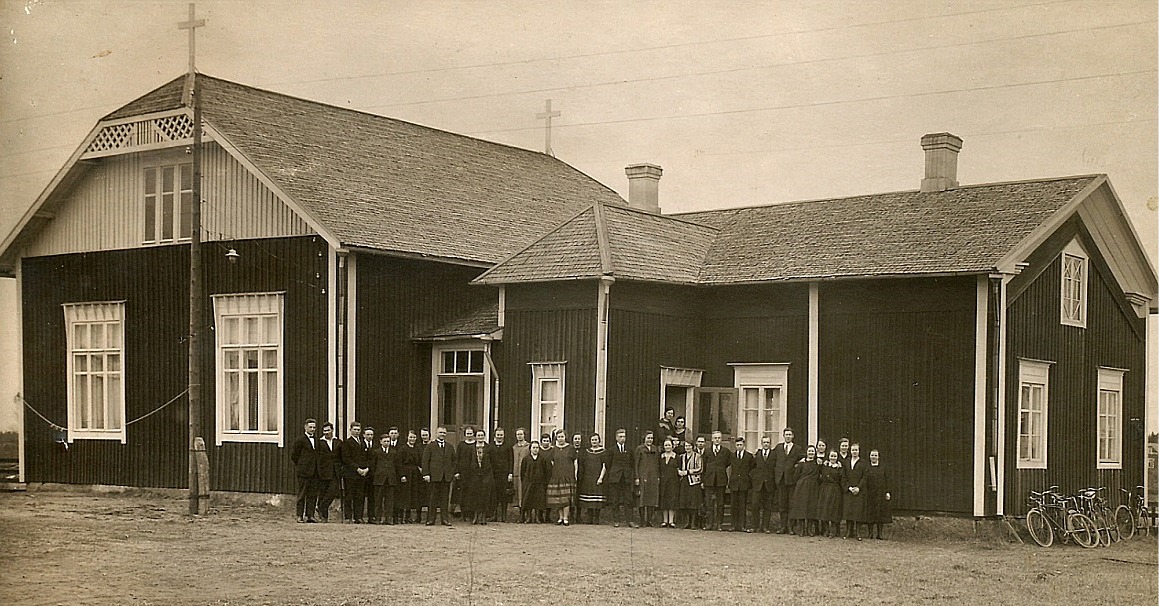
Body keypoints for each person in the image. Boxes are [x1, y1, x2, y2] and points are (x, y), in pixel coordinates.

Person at [772, 427, 805, 534]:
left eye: (790, 435)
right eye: (786, 434)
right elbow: (771, 457)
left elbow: (804, 458)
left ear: (793, 436)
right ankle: (783, 526)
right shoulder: (778, 447)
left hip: (791, 480)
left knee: (791, 504)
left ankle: (791, 527)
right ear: (783, 436)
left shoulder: (797, 448)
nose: (788, 436)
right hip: (781, 479)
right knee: (782, 504)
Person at [421, 426, 456, 526]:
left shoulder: (449, 447)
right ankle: (431, 519)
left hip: (446, 477)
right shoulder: (430, 446)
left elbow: (454, 461)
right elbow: (425, 461)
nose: (442, 434)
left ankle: (444, 519)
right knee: (433, 498)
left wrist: (451, 472)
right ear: (436, 433)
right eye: (440, 432)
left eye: (444, 433)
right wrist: (426, 474)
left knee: (445, 499)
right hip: (434, 477)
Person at [290, 418, 320, 523]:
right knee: (302, 494)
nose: (312, 429)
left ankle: (310, 515)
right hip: (304, 472)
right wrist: (302, 465)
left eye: (314, 427)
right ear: (305, 427)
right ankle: (299, 515)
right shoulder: (300, 440)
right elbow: (294, 455)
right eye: (310, 427)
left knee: (312, 495)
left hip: (314, 472)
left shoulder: (317, 440)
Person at [604, 428, 636, 527]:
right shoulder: (611, 450)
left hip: (626, 478)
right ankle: (616, 520)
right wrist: (614, 473)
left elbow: (632, 463)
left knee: (628, 499)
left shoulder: (629, 450)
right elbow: (608, 464)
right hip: (615, 478)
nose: (622, 438)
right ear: (616, 438)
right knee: (615, 500)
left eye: (624, 436)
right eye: (620, 437)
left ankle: (630, 520)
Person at [701, 430, 731, 531]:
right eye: (715, 438)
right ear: (712, 440)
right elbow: (703, 466)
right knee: (709, 503)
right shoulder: (707, 451)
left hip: (721, 480)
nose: (717, 440)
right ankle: (709, 523)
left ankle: (719, 524)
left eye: (719, 438)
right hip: (709, 480)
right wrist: (703, 480)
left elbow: (727, 463)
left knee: (720, 503)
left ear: (721, 439)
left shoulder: (725, 451)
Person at [546, 429, 577, 525]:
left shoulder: (571, 448)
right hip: (557, 476)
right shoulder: (553, 449)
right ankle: (560, 517)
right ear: (556, 438)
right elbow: (551, 462)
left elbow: (575, 462)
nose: (560, 439)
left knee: (566, 498)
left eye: (562, 436)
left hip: (567, 475)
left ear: (565, 437)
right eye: (558, 437)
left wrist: (575, 473)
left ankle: (566, 518)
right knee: (558, 498)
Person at [788, 445, 820, 536]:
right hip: (802, 487)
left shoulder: (817, 463)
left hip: (813, 487)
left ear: (815, 453)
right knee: (801, 507)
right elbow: (796, 476)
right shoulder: (801, 463)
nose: (811, 453)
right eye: (809, 451)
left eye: (813, 451)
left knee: (811, 507)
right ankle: (802, 529)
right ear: (806, 452)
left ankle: (809, 529)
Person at [463, 437, 496, 524]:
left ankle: (483, 516)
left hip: (486, 475)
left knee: (485, 496)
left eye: (482, 435)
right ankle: (475, 516)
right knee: (475, 496)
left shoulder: (489, 448)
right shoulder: (471, 448)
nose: (480, 437)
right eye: (478, 435)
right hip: (474, 476)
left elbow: (493, 462)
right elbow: (468, 462)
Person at [577, 433, 607, 524]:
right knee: (588, 498)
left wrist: (601, 477)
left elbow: (604, 466)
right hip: (588, 477)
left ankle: (596, 518)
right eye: (593, 440)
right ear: (590, 441)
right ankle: (589, 518)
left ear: (599, 441)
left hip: (597, 477)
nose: (594, 442)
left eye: (596, 440)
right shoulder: (586, 452)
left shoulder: (603, 452)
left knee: (597, 498)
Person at [749, 435, 776, 533]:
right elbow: (751, 467)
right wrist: (754, 478)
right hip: (758, 484)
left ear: (770, 444)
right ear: (761, 443)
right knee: (755, 505)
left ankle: (765, 527)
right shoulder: (757, 454)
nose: (766, 444)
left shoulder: (774, 454)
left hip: (769, 483)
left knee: (767, 506)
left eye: (767, 442)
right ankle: (755, 526)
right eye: (764, 442)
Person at [519, 440, 551, 523]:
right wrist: (525, 482)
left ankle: (537, 517)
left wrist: (543, 482)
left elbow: (545, 471)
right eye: (533, 447)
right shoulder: (526, 459)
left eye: (537, 448)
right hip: (528, 482)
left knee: (538, 500)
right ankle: (528, 517)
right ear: (530, 449)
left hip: (539, 483)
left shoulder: (542, 459)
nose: (535, 449)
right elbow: (522, 472)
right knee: (528, 500)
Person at [842, 442, 869, 540]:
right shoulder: (846, 462)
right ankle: (849, 531)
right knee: (849, 511)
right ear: (850, 451)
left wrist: (858, 487)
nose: (854, 452)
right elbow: (843, 476)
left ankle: (858, 532)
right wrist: (849, 487)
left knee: (858, 512)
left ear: (859, 451)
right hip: (849, 490)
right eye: (853, 450)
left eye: (856, 450)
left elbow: (865, 477)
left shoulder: (863, 463)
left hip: (859, 491)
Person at [370, 434, 399, 524]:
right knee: (378, 500)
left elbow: (397, 465)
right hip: (379, 479)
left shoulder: (394, 452)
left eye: (388, 441)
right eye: (385, 441)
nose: (386, 443)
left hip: (390, 479)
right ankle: (377, 518)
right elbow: (373, 465)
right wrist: (376, 475)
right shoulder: (376, 452)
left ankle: (388, 518)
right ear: (380, 442)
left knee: (389, 500)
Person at [728, 436, 754, 532]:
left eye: (741, 445)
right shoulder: (732, 456)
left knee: (742, 505)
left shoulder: (749, 456)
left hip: (744, 482)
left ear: (744, 445)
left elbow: (752, 467)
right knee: (733, 505)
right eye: (737, 445)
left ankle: (742, 525)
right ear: (735, 446)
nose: (739, 446)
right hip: (734, 482)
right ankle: (733, 525)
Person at [339, 421, 364, 522]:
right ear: (350, 430)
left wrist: (364, 469)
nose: (357, 432)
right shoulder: (347, 443)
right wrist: (357, 468)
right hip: (350, 473)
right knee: (349, 495)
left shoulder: (362, 442)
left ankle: (358, 517)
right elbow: (346, 459)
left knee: (359, 496)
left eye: (358, 430)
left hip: (362, 474)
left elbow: (365, 458)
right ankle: (348, 517)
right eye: (355, 430)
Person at [865, 448, 892, 540]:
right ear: (869, 456)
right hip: (870, 493)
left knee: (880, 513)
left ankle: (879, 533)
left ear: (878, 457)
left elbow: (887, 480)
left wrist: (887, 492)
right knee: (870, 513)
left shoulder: (883, 467)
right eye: (872, 455)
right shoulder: (867, 467)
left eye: (875, 455)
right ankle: (870, 533)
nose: (874, 457)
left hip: (880, 493)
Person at [635, 431, 660, 527]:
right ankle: (642, 521)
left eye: (651, 438)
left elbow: (657, 464)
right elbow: (636, 464)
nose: (650, 440)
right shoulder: (640, 449)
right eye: (648, 438)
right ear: (644, 438)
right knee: (642, 499)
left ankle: (649, 520)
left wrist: (657, 476)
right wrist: (637, 477)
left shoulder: (655, 449)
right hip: (643, 476)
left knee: (651, 498)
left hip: (653, 476)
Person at [316, 421, 340, 522]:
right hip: (323, 471)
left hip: (335, 471)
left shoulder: (338, 442)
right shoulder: (319, 442)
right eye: (324, 431)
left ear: (332, 430)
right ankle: (324, 517)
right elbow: (317, 457)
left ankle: (320, 507)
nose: (326, 432)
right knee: (323, 492)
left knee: (333, 491)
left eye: (328, 430)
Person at [817, 450, 843, 538]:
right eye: (831, 456)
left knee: (833, 510)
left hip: (834, 490)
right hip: (824, 489)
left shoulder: (839, 468)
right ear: (828, 457)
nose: (833, 458)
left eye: (835, 456)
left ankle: (833, 531)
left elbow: (841, 478)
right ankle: (826, 530)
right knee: (825, 509)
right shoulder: (824, 466)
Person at [452, 426, 477, 520]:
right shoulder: (461, 445)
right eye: (467, 434)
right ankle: (462, 513)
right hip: (462, 472)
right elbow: (456, 459)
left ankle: (471, 513)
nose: (469, 435)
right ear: (465, 435)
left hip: (472, 472)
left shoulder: (476, 444)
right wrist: (457, 471)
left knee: (471, 492)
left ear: (473, 434)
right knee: (462, 492)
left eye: (471, 433)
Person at [677, 440, 703, 529]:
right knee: (685, 502)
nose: (687, 448)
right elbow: (678, 467)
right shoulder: (682, 457)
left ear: (692, 446)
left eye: (689, 446)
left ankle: (693, 523)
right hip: (684, 481)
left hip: (694, 481)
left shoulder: (697, 456)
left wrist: (688, 472)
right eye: (686, 446)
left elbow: (700, 469)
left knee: (693, 502)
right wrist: (679, 472)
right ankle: (687, 522)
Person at [397, 430, 421, 523]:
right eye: (411, 437)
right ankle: (402, 517)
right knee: (404, 494)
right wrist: (402, 475)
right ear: (407, 437)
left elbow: (419, 461)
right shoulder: (403, 449)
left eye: (414, 437)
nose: (412, 439)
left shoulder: (417, 449)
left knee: (412, 494)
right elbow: (399, 463)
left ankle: (409, 516)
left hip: (414, 474)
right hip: (406, 473)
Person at [492, 428, 514, 522]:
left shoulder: (508, 446)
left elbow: (511, 460)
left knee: (504, 495)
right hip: (494, 474)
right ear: (495, 435)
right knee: (495, 495)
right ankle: (495, 515)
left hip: (504, 474)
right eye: (498, 435)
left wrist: (510, 473)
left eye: (501, 435)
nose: (499, 437)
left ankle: (504, 516)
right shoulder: (491, 446)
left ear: (504, 436)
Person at [657, 438, 680, 528]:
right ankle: (664, 520)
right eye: (666, 445)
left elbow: (679, 468)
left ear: (672, 446)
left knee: (672, 499)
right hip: (663, 481)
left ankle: (671, 521)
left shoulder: (676, 457)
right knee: (664, 499)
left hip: (673, 481)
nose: (667, 447)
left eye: (669, 445)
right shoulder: (661, 456)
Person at [358, 427, 377, 523]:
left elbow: (374, 460)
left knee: (372, 496)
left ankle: (371, 517)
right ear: (364, 435)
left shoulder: (376, 446)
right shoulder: (360, 445)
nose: (370, 436)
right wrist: (363, 470)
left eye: (371, 435)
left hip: (372, 474)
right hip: (361, 474)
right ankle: (359, 516)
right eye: (368, 434)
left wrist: (368, 469)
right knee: (360, 495)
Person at [512, 428, 531, 517]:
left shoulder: (528, 447)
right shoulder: (514, 447)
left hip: (525, 473)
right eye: (518, 434)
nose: (519, 436)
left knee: (525, 492)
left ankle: (527, 514)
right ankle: (521, 514)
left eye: (521, 434)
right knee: (517, 493)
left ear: (524, 435)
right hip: (516, 473)